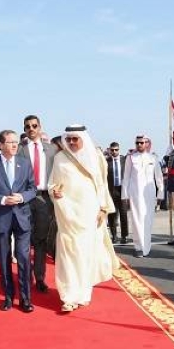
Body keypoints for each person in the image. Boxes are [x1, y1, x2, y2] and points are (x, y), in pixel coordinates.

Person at [49, 124, 118, 312]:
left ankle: (83, 294)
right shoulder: (59, 158)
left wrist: (104, 208)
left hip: (90, 213)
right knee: (67, 253)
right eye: (68, 139)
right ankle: (68, 297)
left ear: (83, 138)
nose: (71, 142)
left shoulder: (95, 158)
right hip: (67, 213)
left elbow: (102, 185)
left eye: (75, 139)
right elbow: (52, 183)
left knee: (85, 255)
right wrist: (53, 191)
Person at [0, 130, 36, 312]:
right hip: (0, 218)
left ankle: (26, 299)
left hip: (22, 217)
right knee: (4, 260)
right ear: (1, 145)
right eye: (10, 142)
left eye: (16, 142)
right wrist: (3, 200)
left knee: (23, 258)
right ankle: (8, 297)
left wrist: (21, 197)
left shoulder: (24, 163)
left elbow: (32, 189)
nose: (14, 145)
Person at [17, 115, 56, 293]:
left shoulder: (52, 150)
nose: (31, 129)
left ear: (40, 127)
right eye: (27, 127)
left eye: (34, 126)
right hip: (24, 199)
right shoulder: (19, 150)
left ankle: (39, 277)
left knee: (40, 240)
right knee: (24, 239)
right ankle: (25, 276)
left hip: (44, 199)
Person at [121, 135, 164, 258]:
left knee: (148, 219)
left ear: (147, 144)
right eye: (137, 143)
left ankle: (146, 246)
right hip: (135, 193)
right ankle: (138, 247)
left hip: (149, 193)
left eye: (141, 143)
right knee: (136, 219)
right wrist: (125, 196)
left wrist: (160, 193)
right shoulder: (130, 158)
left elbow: (159, 177)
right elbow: (126, 177)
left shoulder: (153, 158)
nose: (139, 145)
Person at [106, 141, 129, 244]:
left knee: (123, 214)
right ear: (109, 150)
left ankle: (124, 236)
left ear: (119, 150)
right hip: (111, 190)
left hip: (122, 190)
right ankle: (114, 235)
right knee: (112, 214)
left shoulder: (125, 160)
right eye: (112, 150)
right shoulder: (106, 162)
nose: (114, 152)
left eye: (116, 150)